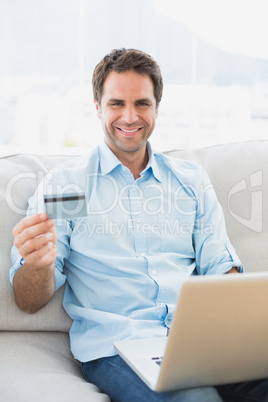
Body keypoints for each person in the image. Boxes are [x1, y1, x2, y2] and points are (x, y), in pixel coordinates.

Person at [10, 48, 268, 402]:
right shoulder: (67, 186)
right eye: (116, 103)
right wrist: (37, 266)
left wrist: (247, 328)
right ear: (98, 107)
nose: (130, 117)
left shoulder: (190, 182)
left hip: (197, 342)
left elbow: (222, 269)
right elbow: (28, 300)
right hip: (118, 349)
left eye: (142, 104)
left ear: (156, 108)